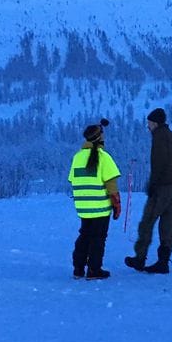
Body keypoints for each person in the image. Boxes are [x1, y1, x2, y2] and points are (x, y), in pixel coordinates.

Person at [125, 107, 172, 274]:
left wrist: (153, 184)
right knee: (168, 220)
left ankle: (140, 258)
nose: (148, 126)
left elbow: (158, 164)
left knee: (148, 220)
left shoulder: (159, 138)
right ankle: (163, 261)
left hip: (163, 186)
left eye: (149, 123)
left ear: (154, 122)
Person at [69, 118, 122, 280]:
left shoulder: (77, 157)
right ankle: (94, 270)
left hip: (83, 208)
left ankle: (78, 269)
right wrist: (117, 204)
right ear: (100, 138)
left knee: (84, 235)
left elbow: (72, 180)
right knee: (98, 238)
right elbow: (111, 184)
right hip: (100, 206)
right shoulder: (103, 157)